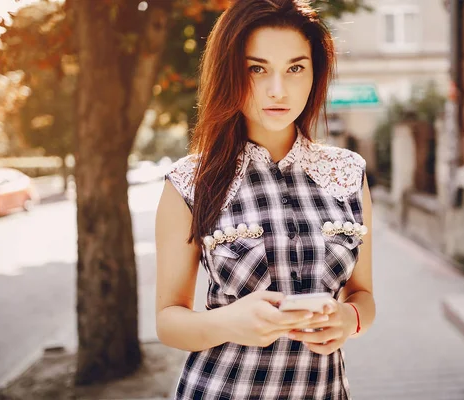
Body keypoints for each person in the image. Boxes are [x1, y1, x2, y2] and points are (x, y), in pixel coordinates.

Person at [155, 0, 375, 398]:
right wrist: (229, 322)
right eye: (256, 69)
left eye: (295, 68)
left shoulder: (347, 173)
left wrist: (348, 319)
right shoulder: (189, 183)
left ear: (314, 73)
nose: (278, 90)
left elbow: (364, 296)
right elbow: (168, 322)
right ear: (229, 74)